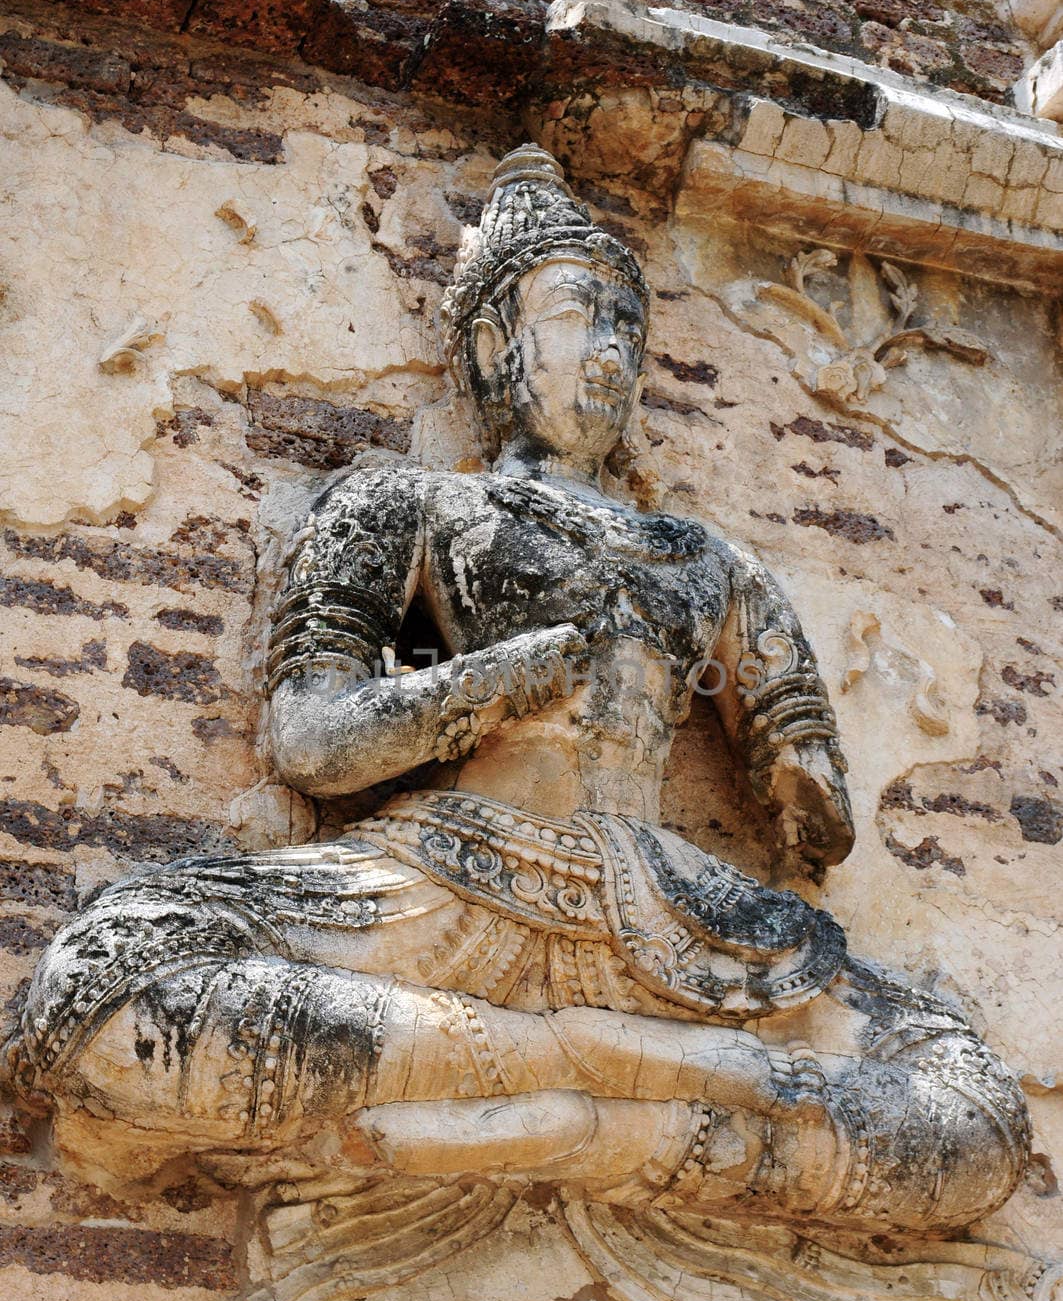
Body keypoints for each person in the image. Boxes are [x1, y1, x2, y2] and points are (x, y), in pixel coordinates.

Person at [6, 146, 1028, 1233]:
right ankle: (584, 1064)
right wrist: (489, 679)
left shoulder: (707, 561)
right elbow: (308, 737)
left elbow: (794, 747)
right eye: (581, 314)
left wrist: (804, 779)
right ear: (497, 345)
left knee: (972, 1116)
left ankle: (583, 1123)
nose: (612, 349)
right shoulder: (410, 507)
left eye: (627, 325)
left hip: (666, 905)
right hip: (450, 874)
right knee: (99, 988)